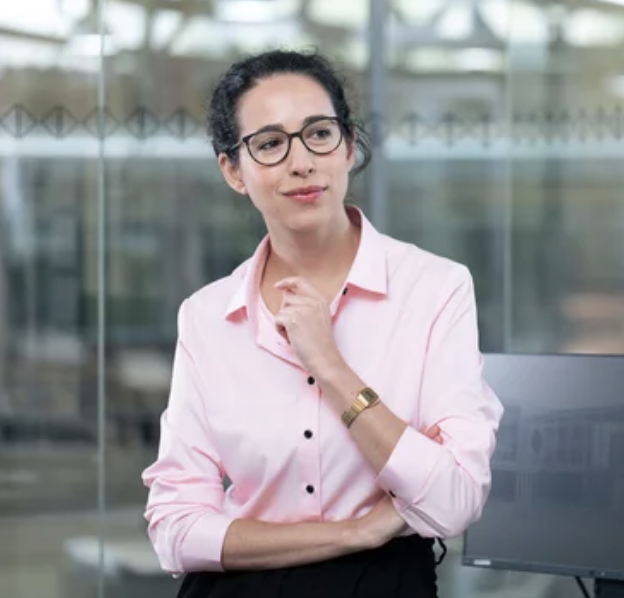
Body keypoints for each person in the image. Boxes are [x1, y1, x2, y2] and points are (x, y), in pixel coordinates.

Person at [141, 48, 504, 598]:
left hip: (382, 587)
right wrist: (356, 532)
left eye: (319, 134)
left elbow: (453, 501)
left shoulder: (435, 289)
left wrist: (330, 365)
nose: (302, 162)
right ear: (233, 171)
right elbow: (175, 529)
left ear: (349, 146)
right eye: (269, 144)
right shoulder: (207, 316)